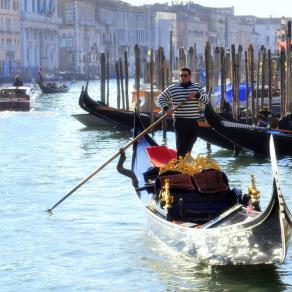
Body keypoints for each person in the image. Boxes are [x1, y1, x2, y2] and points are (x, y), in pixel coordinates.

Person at [157, 67, 209, 158]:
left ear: (190, 76)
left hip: (193, 122)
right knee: (181, 147)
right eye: (181, 75)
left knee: (189, 148)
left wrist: (196, 95)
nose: (183, 77)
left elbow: (207, 100)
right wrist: (166, 108)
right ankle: (179, 166)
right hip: (179, 121)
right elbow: (160, 98)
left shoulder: (197, 87)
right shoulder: (173, 88)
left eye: (185, 75)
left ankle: (185, 166)